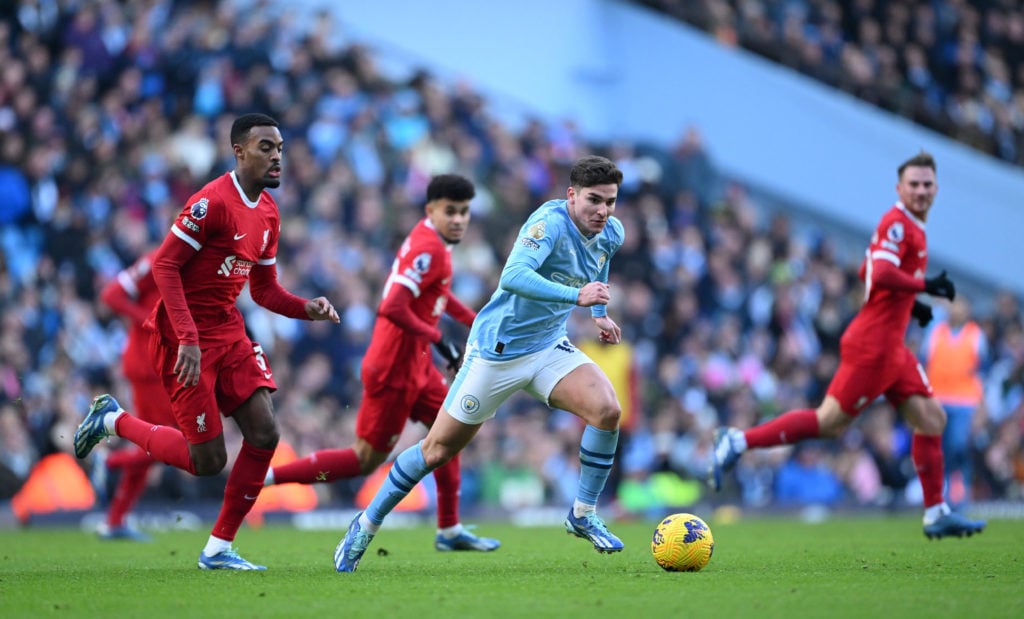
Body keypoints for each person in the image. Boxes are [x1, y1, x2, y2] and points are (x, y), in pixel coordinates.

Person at [333, 155, 627, 572]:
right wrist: (576, 298)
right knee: (436, 451)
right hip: (497, 352)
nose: (603, 211)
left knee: (607, 410)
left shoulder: (611, 232)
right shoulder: (548, 225)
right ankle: (365, 524)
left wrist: (598, 314)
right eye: (594, 201)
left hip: (546, 346)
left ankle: (582, 513)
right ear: (571, 196)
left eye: (610, 202)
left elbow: (598, 267)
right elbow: (513, 276)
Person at [74, 113, 340, 570]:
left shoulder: (270, 212)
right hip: (182, 338)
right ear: (238, 151)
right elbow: (164, 267)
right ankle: (114, 420)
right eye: (265, 148)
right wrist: (189, 338)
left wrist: (305, 308)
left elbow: (263, 290)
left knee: (265, 432)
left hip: (229, 332)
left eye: (279, 148)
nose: (276, 156)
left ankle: (218, 548)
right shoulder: (210, 202)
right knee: (207, 460)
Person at [708, 151, 986, 540]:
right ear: (899, 188)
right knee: (827, 423)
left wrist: (911, 305)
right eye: (914, 184)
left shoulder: (911, 228)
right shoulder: (896, 223)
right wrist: (923, 287)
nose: (921, 190)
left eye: (927, 184)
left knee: (931, 419)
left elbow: (866, 269)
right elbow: (884, 271)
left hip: (891, 345)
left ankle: (936, 511)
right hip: (873, 346)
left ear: (936, 189)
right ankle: (737, 440)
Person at [264, 174, 500, 552]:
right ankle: (268, 476)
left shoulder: (436, 244)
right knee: (363, 461)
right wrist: (441, 340)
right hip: (392, 370)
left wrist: (476, 321)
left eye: (464, 213)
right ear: (431, 211)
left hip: (417, 366)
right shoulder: (429, 249)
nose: (458, 220)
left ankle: (449, 529)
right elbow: (390, 306)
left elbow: (436, 295)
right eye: (450, 212)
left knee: (451, 435)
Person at [93, 250, 178, 541]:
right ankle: (107, 464)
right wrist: (150, 321)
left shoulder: (194, 263)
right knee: (170, 444)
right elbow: (111, 295)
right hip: (149, 366)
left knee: (155, 443)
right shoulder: (157, 260)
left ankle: (115, 520)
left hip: (164, 366)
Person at [921, 295, 988, 510]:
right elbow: (924, 363)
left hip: (965, 403)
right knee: (941, 450)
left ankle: (960, 491)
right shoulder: (935, 333)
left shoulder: (975, 335)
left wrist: (981, 407)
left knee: (959, 445)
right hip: (938, 401)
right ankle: (943, 494)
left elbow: (982, 373)